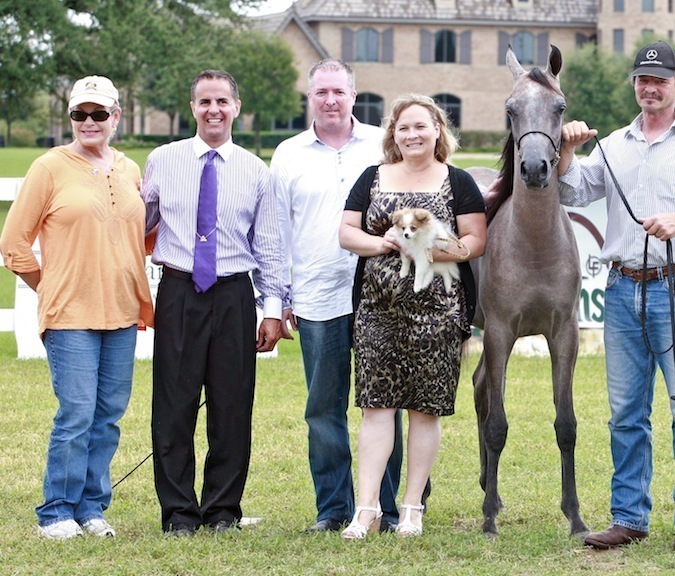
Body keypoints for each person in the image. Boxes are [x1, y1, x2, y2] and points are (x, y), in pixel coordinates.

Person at [558, 41, 675, 551]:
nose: (650, 87)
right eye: (642, 79)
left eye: (660, 79)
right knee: (625, 413)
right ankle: (629, 517)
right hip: (621, 289)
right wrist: (567, 151)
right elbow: (575, 192)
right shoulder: (614, 142)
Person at [1, 75, 154, 539]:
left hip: (123, 312)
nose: (89, 122)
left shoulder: (129, 169)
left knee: (108, 416)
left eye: (99, 113)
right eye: (79, 114)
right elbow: (13, 243)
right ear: (70, 117)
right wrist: (48, 286)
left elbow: (138, 238)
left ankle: (91, 507)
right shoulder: (49, 167)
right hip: (69, 316)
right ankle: (57, 511)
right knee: (76, 414)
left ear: (116, 118)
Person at [141, 70, 286, 536]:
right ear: (193, 108)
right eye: (205, 102)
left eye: (222, 101)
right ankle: (179, 513)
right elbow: (136, 224)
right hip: (180, 290)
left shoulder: (255, 170)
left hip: (232, 294)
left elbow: (268, 246)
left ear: (236, 108)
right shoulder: (163, 160)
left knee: (231, 406)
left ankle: (223, 510)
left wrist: (271, 309)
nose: (214, 110)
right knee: (174, 405)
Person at [337, 94, 485, 539]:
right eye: (403, 128)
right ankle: (366, 510)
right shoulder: (372, 177)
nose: (412, 135)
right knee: (375, 409)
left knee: (425, 411)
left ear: (438, 130)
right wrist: (384, 244)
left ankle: (411, 508)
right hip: (377, 312)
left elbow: (474, 240)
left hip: (439, 313)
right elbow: (346, 232)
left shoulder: (457, 181)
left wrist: (429, 248)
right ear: (393, 135)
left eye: (421, 126)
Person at [271, 58, 407, 533]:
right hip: (316, 295)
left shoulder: (382, 145)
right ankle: (332, 509)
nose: (330, 100)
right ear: (309, 97)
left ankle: (386, 510)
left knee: (384, 403)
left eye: (339, 92)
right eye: (320, 92)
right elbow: (277, 232)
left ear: (354, 95)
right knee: (323, 407)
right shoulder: (288, 153)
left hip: (381, 295)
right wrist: (278, 296)